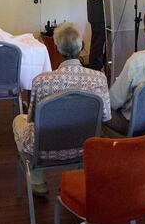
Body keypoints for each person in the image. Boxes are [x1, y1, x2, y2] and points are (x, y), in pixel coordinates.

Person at [12, 22, 110, 196]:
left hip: (44, 151)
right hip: (86, 148)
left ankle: (37, 179)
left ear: (56, 49)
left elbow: (33, 119)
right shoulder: (99, 79)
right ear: (82, 47)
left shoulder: (41, 81)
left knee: (19, 120)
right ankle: (77, 175)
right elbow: (105, 117)